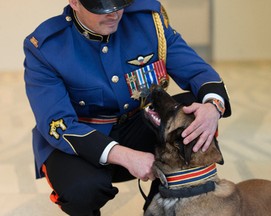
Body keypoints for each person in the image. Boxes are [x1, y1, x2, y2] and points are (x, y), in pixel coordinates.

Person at [23, 0, 231, 215]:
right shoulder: (47, 47)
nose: (114, 14)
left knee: (191, 111)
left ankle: (160, 208)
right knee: (82, 190)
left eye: (119, 4)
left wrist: (213, 106)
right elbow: (60, 125)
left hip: (138, 125)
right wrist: (125, 155)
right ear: (75, 2)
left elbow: (196, 71)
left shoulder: (147, 21)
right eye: (103, 7)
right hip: (82, 140)